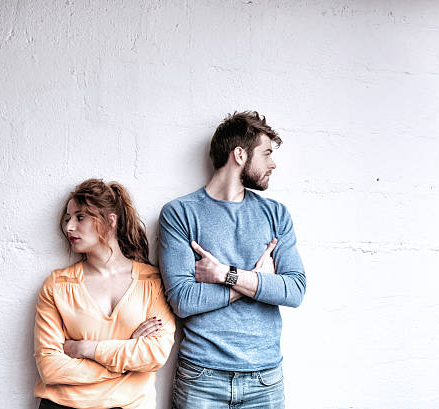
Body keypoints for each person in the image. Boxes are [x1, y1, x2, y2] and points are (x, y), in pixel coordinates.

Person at [158, 111, 306, 408]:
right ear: (240, 154)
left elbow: (294, 290)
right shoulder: (179, 214)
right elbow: (184, 301)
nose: (273, 163)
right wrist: (257, 279)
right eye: (266, 154)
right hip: (201, 377)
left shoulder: (276, 214)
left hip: (264, 377)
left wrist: (226, 273)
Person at [34, 179, 175, 409]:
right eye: (68, 219)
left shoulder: (150, 282)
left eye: (80, 217)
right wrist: (127, 357)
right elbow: (51, 368)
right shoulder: (57, 285)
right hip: (64, 405)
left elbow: (154, 354)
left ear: (110, 221)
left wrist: (85, 349)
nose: (69, 227)